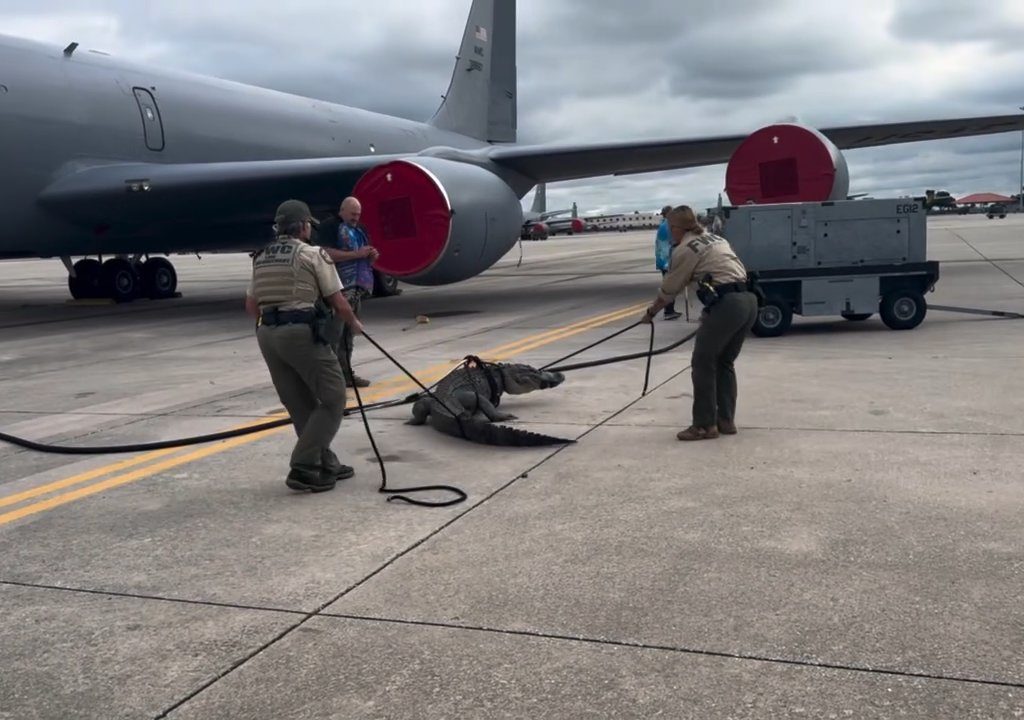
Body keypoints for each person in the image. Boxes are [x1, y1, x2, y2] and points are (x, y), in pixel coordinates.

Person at [245, 199, 364, 492]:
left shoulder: (261, 257)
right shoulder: (313, 254)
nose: (310, 228)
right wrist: (354, 324)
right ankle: (303, 465)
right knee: (334, 398)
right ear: (302, 226)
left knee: (300, 403)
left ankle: (325, 462)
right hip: (300, 332)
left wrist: (272, 324)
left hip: (267, 335)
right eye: (309, 224)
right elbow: (338, 301)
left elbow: (251, 305)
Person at [641, 205, 759, 441]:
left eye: (669, 227)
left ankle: (704, 425)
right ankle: (726, 421)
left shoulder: (685, 249)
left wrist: (651, 313)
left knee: (703, 362)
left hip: (728, 304)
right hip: (749, 301)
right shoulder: (714, 238)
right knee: (724, 361)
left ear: (676, 228)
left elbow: (669, 290)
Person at [315, 196, 379, 388]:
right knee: (333, 335)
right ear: (342, 211)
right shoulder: (329, 227)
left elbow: (363, 256)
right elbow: (323, 254)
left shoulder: (360, 229)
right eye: (352, 214)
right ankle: (331, 377)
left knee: (347, 336)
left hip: (356, 289)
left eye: (358, 215)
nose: (355, 218)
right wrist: (355, 254)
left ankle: (345, 373)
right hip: (337, 288)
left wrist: (370, 257)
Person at [654, 205, 682, 320]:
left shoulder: (663, 225)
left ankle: (670, 310)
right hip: (668, 260)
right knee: (670, 287)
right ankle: (668, 311)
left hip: (663, 260)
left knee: (670, 285)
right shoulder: (669, 226)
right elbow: (674, 242)